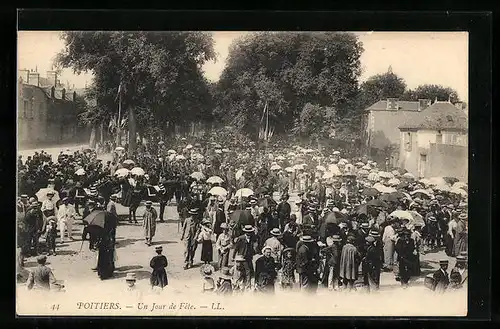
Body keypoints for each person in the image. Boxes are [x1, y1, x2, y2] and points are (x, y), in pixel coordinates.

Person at [232, 225, 258, 290]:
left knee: (249, 271)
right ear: (245, 232)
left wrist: (254, 250)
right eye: (247, 232)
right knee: (245, 271)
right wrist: (233, 256)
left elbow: (254, 247)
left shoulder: (253, 238)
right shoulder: (241, 238)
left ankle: (247, 285)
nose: (249, 233)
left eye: (250, 232)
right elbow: (236, 248)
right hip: (242, 257)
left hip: (249, 257)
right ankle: (244, 285)